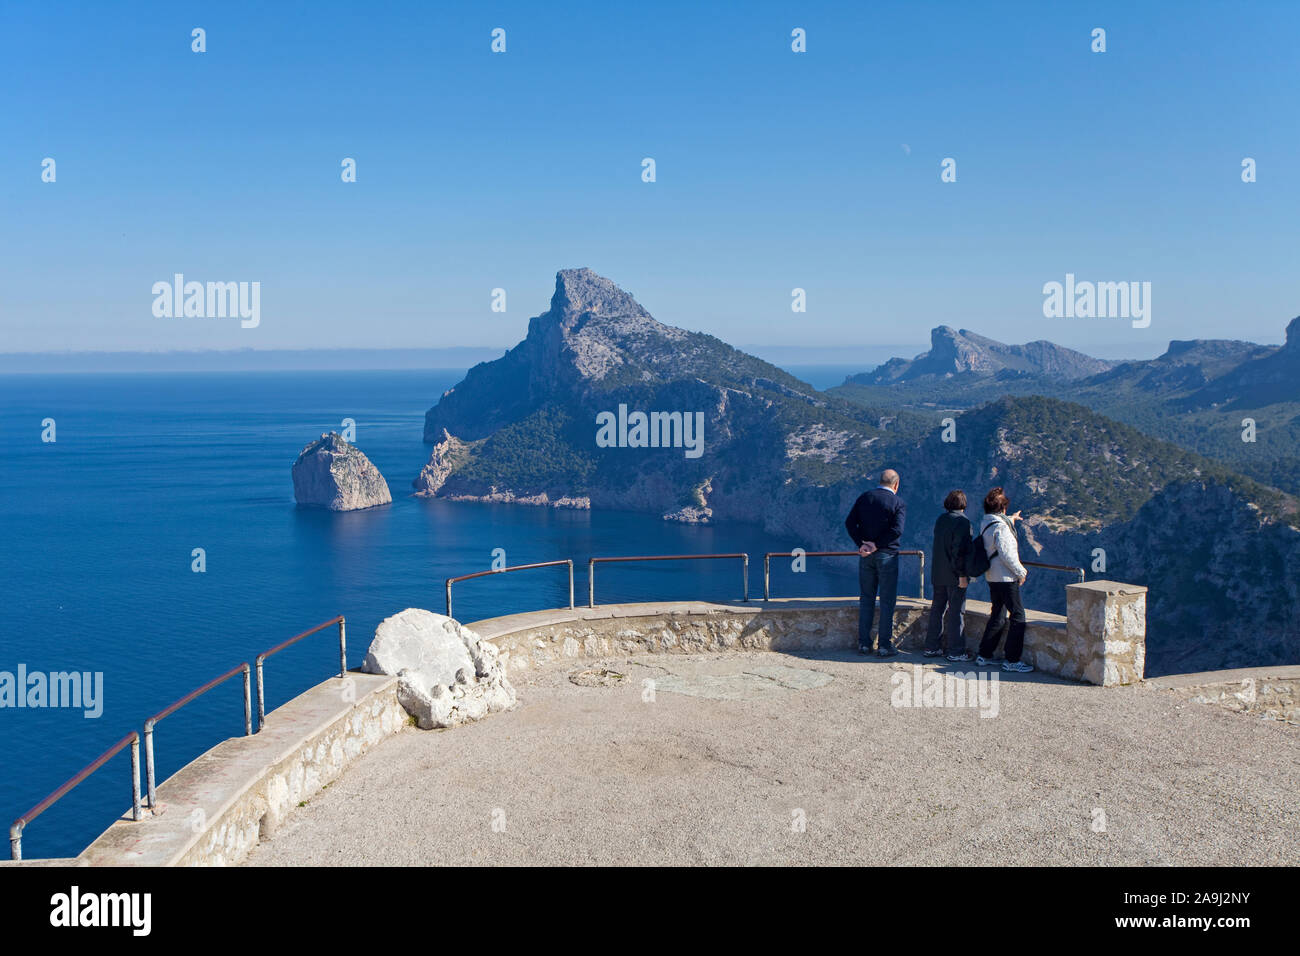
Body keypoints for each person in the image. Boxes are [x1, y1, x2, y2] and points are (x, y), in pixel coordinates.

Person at [844, 468, 906, 657]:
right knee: (887, 601)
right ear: (896, 484)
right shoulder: (898, 502)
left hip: (866, 556)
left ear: (880, 481)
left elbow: (849, 523)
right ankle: (885, 645)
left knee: (867, 598)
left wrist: (863, 545)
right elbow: (897, 530)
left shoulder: (865, 497)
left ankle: (864, 643)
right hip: (887, 556)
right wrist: (877, 545)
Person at [975, 487, 1034, 673]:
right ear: (1003, 508)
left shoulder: (986, 523)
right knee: (1018, 616)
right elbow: (1007, 554)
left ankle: (984, 654)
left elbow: (999, 533)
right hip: (1006, 577)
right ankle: (1012, 659)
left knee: (998, 615)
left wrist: (1012, 520)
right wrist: (1021, 572)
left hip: (992, 576)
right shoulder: (1001, 527)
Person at [924, 489, 973, 661]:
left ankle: (931, 647)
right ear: (963, 504)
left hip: (938, 573)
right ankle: (956, 651)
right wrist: (962, 574)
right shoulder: (962, 522)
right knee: (956, 612)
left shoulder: (941, 519)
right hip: (954, 575)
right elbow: (959, 551)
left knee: (937, 609)